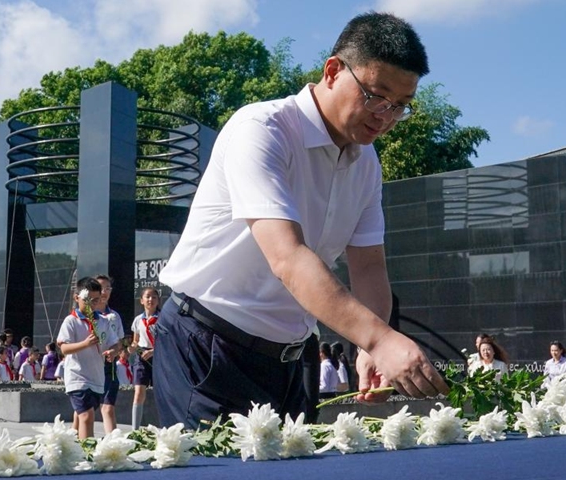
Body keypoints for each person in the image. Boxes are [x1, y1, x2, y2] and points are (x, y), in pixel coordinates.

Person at [153, 11, 448, 429]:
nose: (385, 116)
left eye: (400, 106)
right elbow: (287, 257)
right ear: (332, 71)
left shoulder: (366, 163)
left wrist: (368, 345)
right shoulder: (262, 129)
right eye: (376, 96)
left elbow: (368, 265)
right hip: (208, 345)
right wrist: (380, 339)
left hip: (293, 357)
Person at [56, 277, 120, 439]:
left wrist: (113, 351)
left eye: (95, 300)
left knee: (85, 414)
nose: (91, 304)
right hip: (77, 376)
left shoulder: (104, 321)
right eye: (87, 300)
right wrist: (85, 343)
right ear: (77, 298)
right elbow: (64, 348)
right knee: (87, 416)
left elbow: (116, 343)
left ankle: (77, 445)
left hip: (97, 378)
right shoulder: (71, 321)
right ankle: (87, 453)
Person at [94, 274, 125, 434]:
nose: (104, 292)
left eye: (108, 288)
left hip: (108, 367)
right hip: (88, 367)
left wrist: (114, 351)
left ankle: (114, 445)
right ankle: (76, 444)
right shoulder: (83, 316)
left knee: (107, 407)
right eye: (100, 288)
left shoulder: (114, 316)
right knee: (83, 412)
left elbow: (119, 342)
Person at [130, 287, 159, 431]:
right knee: (139, 391)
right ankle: (135, 429)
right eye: (147, 297)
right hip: (141, 356)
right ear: (141, 301)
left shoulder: (162, 319)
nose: (150, 300)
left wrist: (154, 351)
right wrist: (132, 347)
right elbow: (136, 340)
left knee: (161, 392)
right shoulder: (138, 320)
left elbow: (168, 342)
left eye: (154, 297)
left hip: (159, 356)